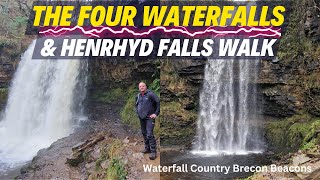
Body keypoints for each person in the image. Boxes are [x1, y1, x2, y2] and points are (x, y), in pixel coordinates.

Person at [135, 82, 160, 160]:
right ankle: (147, 148)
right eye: (140, 86)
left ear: (146, 87)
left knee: (149, 134)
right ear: (139, 88)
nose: (141, 87)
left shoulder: (150, 94)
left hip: (149, 118)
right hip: (141, 117)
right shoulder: (138, 95)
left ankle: (153, 152)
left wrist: (156, 113)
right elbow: (136, 104)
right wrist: (137, 112)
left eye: (143, 86)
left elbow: (158, 102)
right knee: (144, 133)